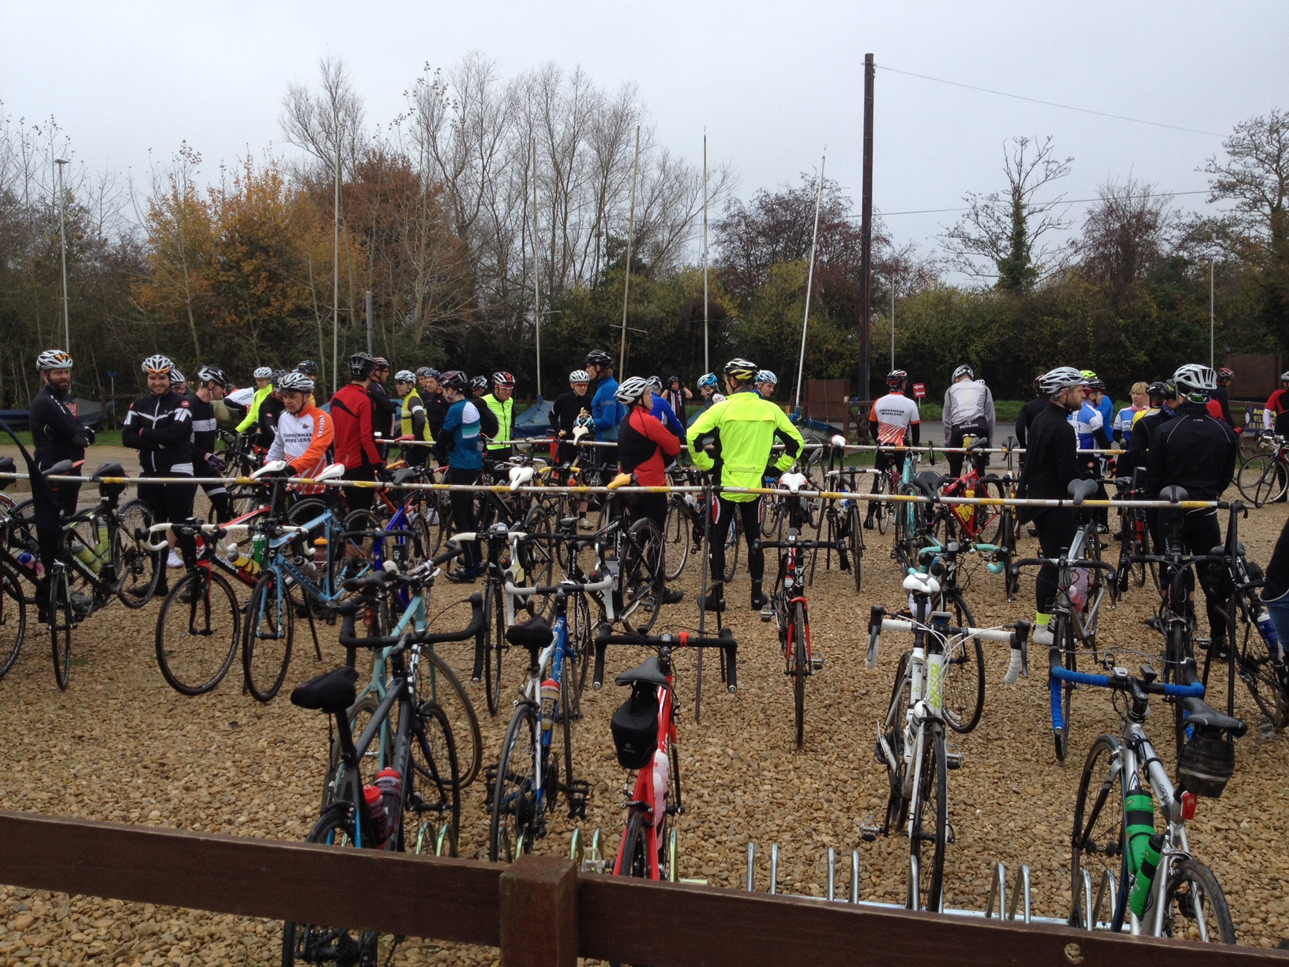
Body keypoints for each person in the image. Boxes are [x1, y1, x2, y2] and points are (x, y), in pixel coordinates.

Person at [688, 357, 804, 612]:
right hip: (755, 485)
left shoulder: (721, 409)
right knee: (755, 540)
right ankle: (756, 596)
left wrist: (708, 465)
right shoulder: (770, 410)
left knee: (717, 540)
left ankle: (717, 598)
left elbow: (693, 435)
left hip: (725, 484)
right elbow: (797, 443)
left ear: (731, 381)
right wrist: (776, 469)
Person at [1146, 364, 1239, 658]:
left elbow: (1154, 479)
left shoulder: (1165, 430)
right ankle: (1219, 641)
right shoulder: (1225, 432)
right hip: (1206, 513)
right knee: (1213, 578)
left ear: (1181, 394)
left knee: (1176, 571)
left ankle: (1181, 629)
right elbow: (1224, 479)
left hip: (1172, 514)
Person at [1013, 367, 1089, 663]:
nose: (1083, 395)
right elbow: (1067, 472)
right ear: (1064, 394)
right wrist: (1087, 485)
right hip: (1052, 501)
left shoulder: (1043, 418)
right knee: (1054, 562)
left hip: (1037, 496)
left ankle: (1056, 615)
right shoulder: (1062, 428)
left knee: (1055, 559)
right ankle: (1042, 627)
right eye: (1079, 391)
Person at [123, 354, 198, 581]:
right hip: (150, 473)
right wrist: (159, 440)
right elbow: (127, 437)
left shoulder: (181, 403)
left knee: (181, 527)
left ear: (169, 378)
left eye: (162, 377)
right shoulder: (139, 404)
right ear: (147, 378)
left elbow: (177, 433)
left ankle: (194, 580)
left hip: (178, 472)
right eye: (153, 378)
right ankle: (158, 582)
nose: (157, 382)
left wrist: (143, 433)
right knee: (154, 530)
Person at [28, 349, 95, 579]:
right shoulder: (47, 401)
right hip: (56, 473)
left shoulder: (57, 400)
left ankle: (60, 576)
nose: (64, 377)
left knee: (62, 527)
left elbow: (76, 430)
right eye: (58, 373)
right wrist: (84, 434)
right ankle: (54, 580)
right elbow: (78, 435)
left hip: (66, 471)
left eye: (66, 372)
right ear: (45, 375)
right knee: (54, 530)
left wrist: (81, 432)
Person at [436, 370, 485, 582]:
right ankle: (478, 560)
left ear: (452, 389)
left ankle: (470, 567)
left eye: (445, 388)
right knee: (469, 516)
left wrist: (439, 451)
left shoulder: (456, 409)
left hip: (460, 464)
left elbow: (443, 437)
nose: (443, 392)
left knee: (460, 516)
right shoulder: (470, 406)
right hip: (473, 463)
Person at [864, 370, 921, 529]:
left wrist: (878, 441)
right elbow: (916, 431)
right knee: (906, 481)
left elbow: (872, 426)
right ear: (902, 384)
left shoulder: (879, 402)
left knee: (877, 482)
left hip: (883, 447)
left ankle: (869, 517)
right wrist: (914, 448)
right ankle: (907, 516)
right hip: (900, 447)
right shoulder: (910, 404)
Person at [330, 352, 383, 513]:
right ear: (371, 374)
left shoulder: (336, 397)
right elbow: (366, 437)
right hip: (359, 463)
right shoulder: (365, 400)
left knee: (350, 511)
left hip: (340, 462)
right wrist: (378, 464)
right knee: (361, 513)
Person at [266, 372, 333, 492]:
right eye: (285, 397)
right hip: (293, 486)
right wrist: (266, 467)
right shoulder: (284, 417)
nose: (287, 401)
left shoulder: (321, 417)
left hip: (320, 486)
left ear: (307, 396)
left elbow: (316, 451)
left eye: (292, 397)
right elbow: (278, 446)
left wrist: (290, 469)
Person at [189, 366, 234, 523]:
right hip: (190, 467)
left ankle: (224, 539)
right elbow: (183, 441)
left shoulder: (210, 407)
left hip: (207, 467)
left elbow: (207, 433)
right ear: (211, 384)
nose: (223, 392)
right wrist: (207, 455)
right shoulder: (189, 406)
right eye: (222, 387)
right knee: (184, 513)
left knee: (224, 506)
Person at [942, 364, 996, 478]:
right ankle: (981, 481)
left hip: (958, 429)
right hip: (980, 427)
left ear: (956, 379)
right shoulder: (984, 388)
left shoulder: (951, 389)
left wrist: (947, 442)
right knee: (980, 472)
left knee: (954, 473)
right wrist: (989, 442)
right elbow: (990, 417)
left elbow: (947, 420)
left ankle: (955, 483)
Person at [586, 350, 624, 464]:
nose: (586, 370)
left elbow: (608, 420)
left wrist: (588, 422)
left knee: (605, 474)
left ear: (598, 367)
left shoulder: (608, 388)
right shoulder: (604, 385)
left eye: (589, 366)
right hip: (604, 440)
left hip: (607, 442)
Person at [550, 369, 592, 465]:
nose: (583, 388)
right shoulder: (562, 399)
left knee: (585, 469)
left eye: (585, 385)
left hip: (585, 441)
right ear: (572, 385)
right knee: (565, 469)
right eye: (580, 385)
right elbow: (552, 416)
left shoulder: (590, 400)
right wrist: (558, 430)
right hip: (567, 441)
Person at [395, 369, 431, 467]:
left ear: (410, 385)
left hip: (419, 445)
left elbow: (421, 419)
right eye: (396, 383)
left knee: (413, 474)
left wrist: (416, 441)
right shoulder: (408, 398)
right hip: (413, 444)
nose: (398, 386)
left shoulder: (413, 399)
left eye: (401, 383)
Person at [235, 366, 274, 442]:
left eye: (261, 380)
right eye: (257, 380)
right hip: (260, 428)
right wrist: (237, 429)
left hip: (272, 428)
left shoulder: (273, 393)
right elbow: (252, 415)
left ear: (268, 380)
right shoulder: (257, 395)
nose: (259, 383)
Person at [482, 371, 515, 460]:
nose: (508, 392)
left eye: (510, 389)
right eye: (504, 389)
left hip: (507, 446)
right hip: (491, 448)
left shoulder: (510, 401)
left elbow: (512, 416)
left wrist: (512, 427)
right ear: (496, 388)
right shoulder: (484, 401)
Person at [369, 356, 400, 444]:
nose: (387, 374)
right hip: (380, 432)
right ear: (377, 372)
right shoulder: (375, 387)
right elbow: (387, 406)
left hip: (381, 431)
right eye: (385, 371)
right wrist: (392, 406)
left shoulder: (377, 386)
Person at [646, 376, 685, 444]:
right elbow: (675, 422)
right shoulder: (662, 402)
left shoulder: (640, 401)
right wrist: (683, 437)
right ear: (659, 390)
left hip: (643, 433)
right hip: (658, 435)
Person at [417, 367, 449, 442]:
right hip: (427, 435)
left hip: (441, 434)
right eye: (427, 382)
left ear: (438, 383)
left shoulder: (445, 397)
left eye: (431, 382)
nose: (428, 385)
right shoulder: (423, 397)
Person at [1265, 371, 1289, 436]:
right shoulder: (1277, 394)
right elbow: (1267, 411)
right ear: (1284, 383)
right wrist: (1268, 428)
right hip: (1282, 430)